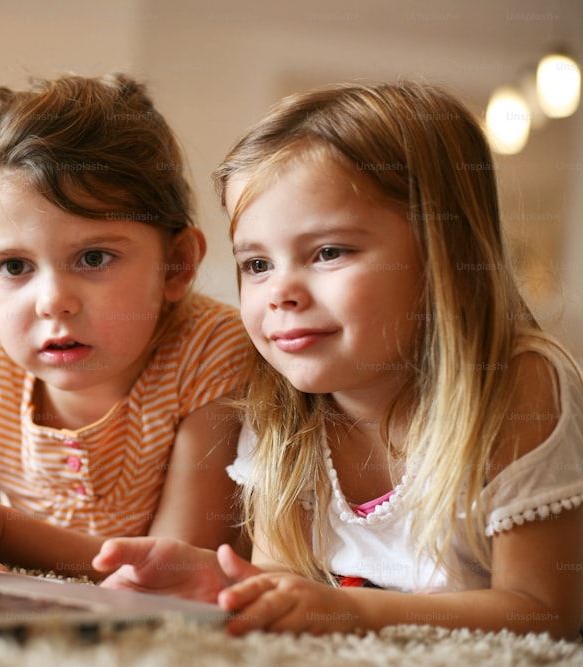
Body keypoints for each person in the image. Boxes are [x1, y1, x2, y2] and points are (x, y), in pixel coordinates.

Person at [92, 81, 583, 640]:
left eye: (328, 252)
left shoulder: (516, 385)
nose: (280, 292)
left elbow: (546, 613)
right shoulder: (279, 406)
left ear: (445, 254)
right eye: (256, 265)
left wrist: (353, 613)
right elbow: (286, 578)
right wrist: (228, 585)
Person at [0, 73, 254, 578]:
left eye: (93, 257)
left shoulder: (211, 350)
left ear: (176, 266)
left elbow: (164, 567)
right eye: (13, 267)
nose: (53, 302)